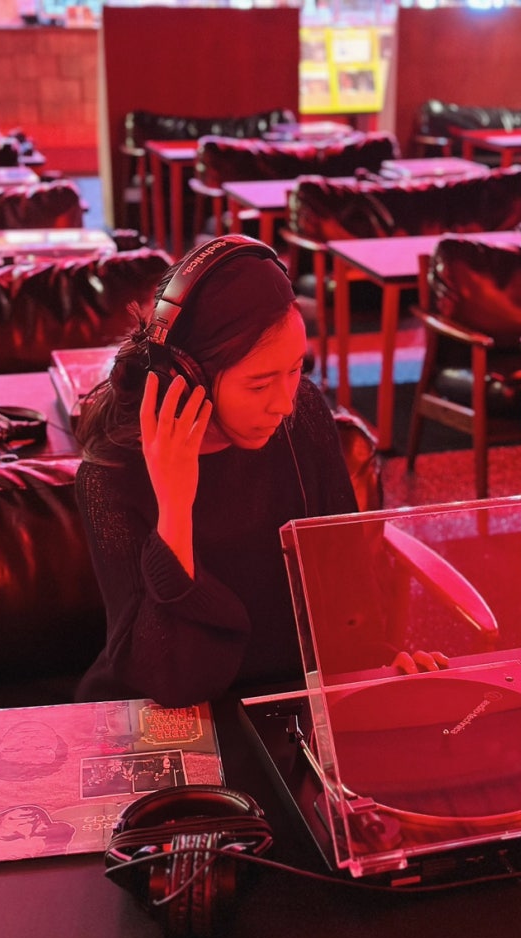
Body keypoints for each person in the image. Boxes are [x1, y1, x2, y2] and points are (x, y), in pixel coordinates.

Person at [73, 235, 360, 708]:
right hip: (169, 712)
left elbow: (347, 575)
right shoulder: (112, 474)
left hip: (285, 700)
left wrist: (379, 662)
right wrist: (174, 510)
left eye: (295, 370)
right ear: (188, 378)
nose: (285, 404)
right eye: (259, 384)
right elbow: (169, 680)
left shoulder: (304, 412)